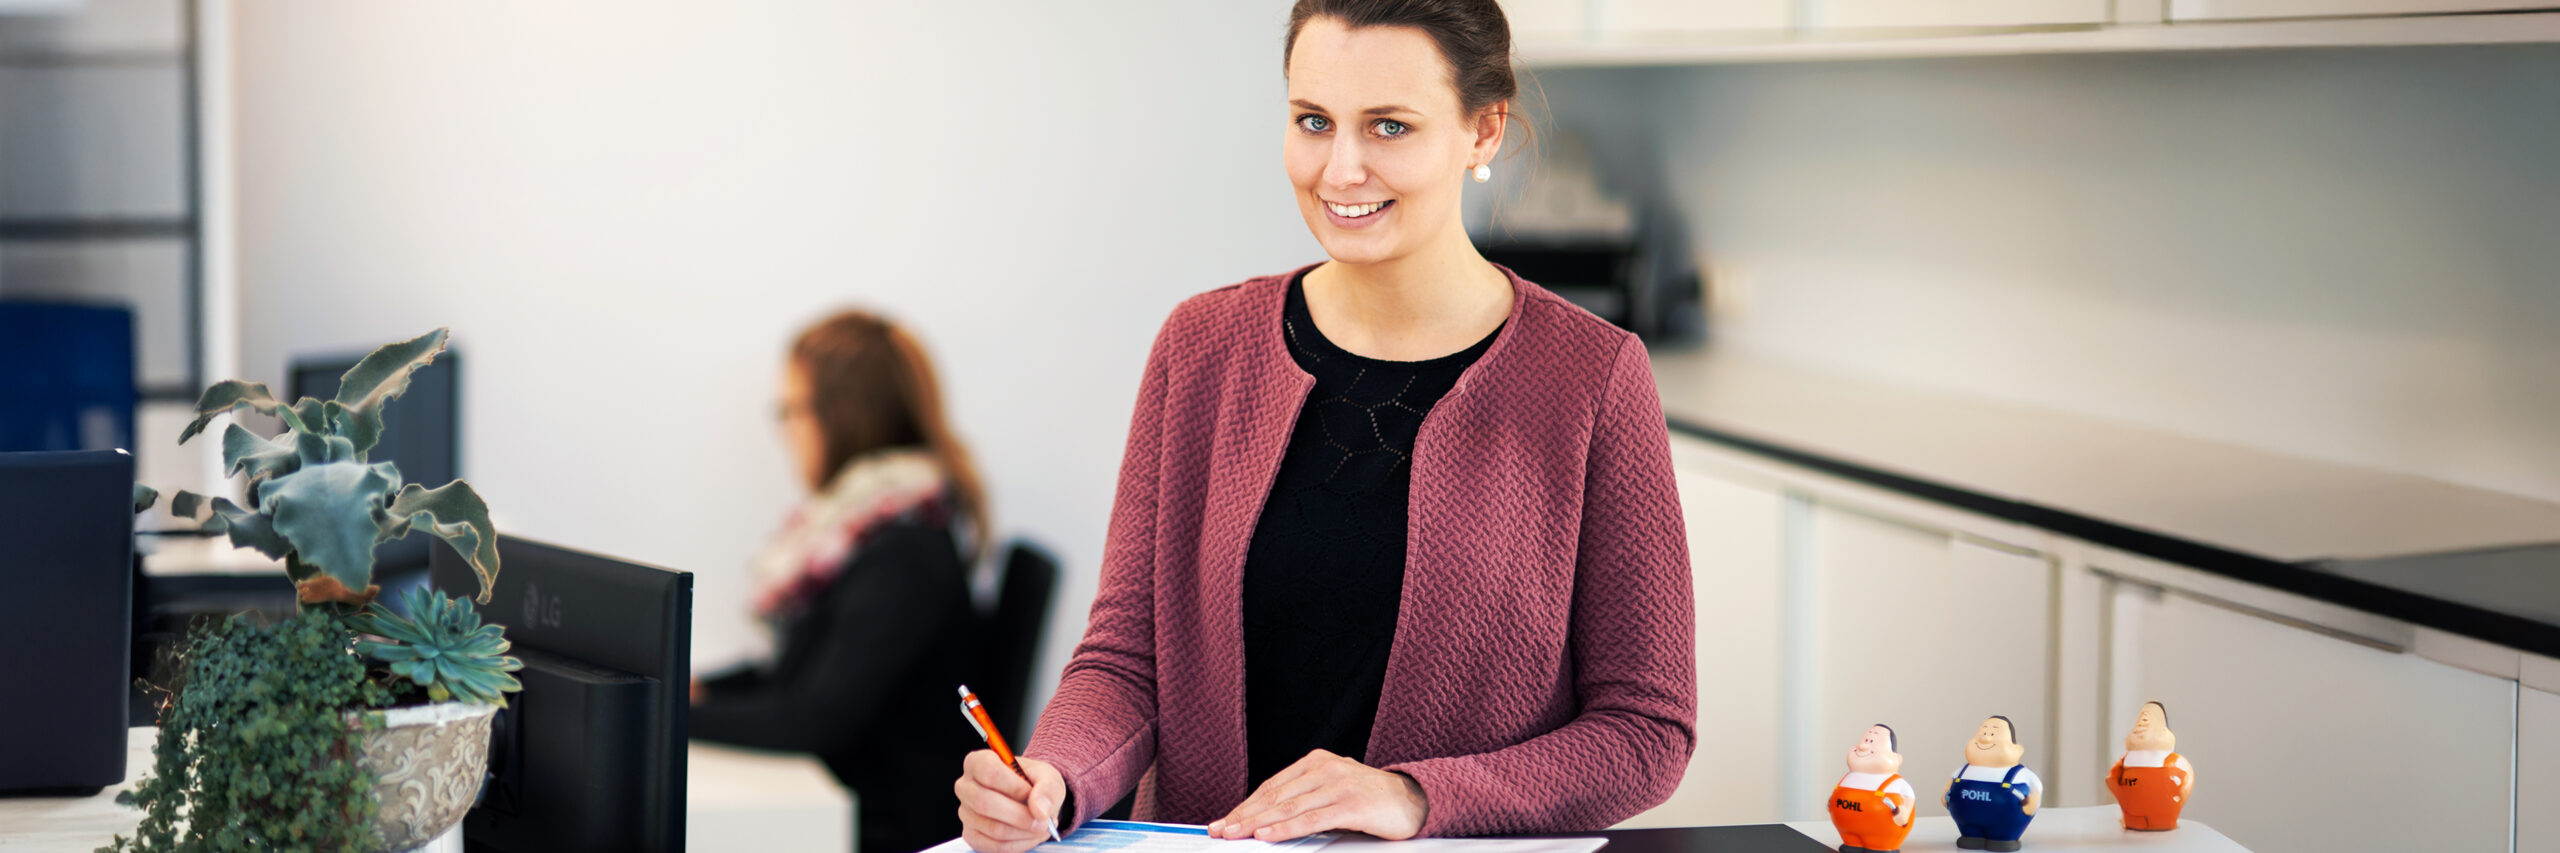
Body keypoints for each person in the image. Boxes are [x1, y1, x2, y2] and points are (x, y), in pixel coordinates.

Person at [952, 1, 1697, 850]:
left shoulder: (1592, 377)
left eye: (1389, 126)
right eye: (1314, 121)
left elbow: (1646, 730)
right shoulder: (1200, 348)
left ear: (1484, 131)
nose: (1341, 169)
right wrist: (1052, 776)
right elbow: (1126, 661)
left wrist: (1414, 795)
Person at [693, 310, 991, 853]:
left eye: (793, 410)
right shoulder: (864, 530)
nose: (787, 430)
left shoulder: (904, 551)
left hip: (887, 826)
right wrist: (704, 691)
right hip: (847, 802)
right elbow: (803, 673)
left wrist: (666, 715)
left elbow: (812, 719)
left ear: (842, 415)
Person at [1944, 716, 2041, 852]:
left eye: (1993, 734)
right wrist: (1945, 797)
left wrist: (2032, 804)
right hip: (1966, 822)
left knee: (2002, 837)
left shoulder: (2020, 774)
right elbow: (1949, 787)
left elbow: (2036, 789)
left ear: (2017, 749)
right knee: (1970, 838)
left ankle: (2003, 839)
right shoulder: (1963, 771)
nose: (1986, 739)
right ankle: (1971, 836)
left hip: (2006, 825)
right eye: (1983, 733)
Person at [2105, 701, 2194, 831]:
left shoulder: (2173, 761)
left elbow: (2186, 782)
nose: (2143, 720)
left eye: (2150, 717)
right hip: (2132, 818)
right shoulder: (2125, 761)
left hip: (2164, 818)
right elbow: (2111, 779)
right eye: (2141, 717)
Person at [1829, 724, 1915, 853]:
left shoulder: (1895, 782)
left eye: (1872, 741)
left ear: (1896, 758)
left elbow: (1909, 798)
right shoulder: (1848, 777)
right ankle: (1852, 843)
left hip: (1881, 835)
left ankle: (1880, 847)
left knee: (1877, 846)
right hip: (1848, 831)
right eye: (1865, 740)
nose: (1863, 746)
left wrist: (1905, 812)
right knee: (1851, 844)